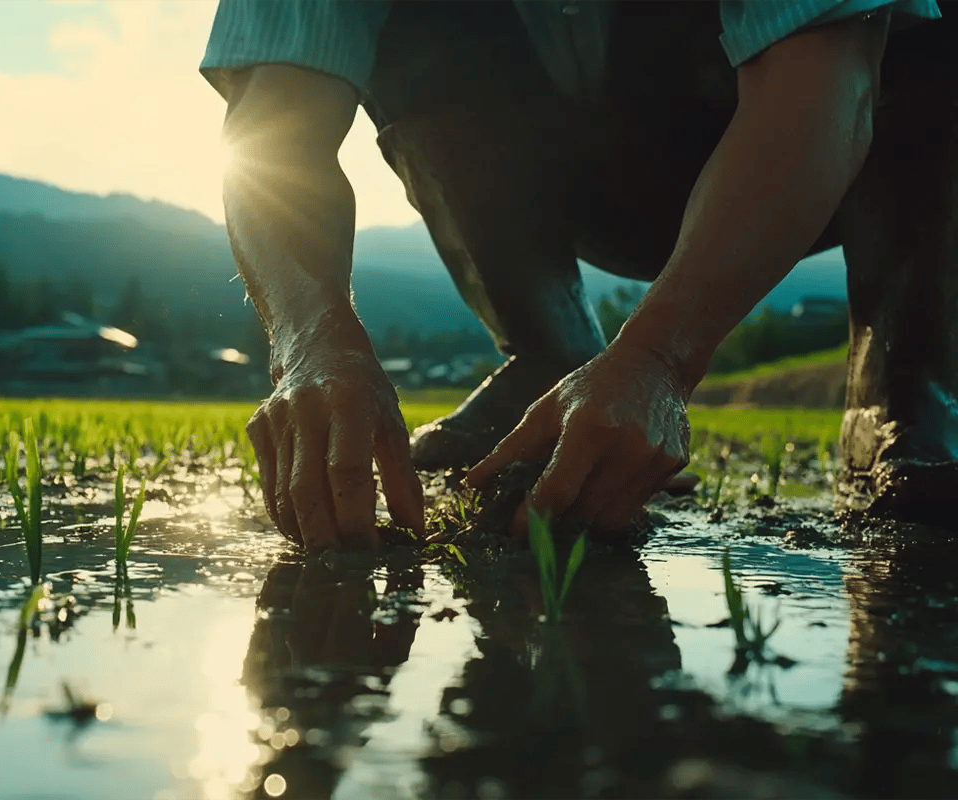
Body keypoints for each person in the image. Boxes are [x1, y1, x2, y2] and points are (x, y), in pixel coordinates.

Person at [200, 0, 948, 551]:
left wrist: (659, 358)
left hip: (798, 138)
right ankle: (547, 353)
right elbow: (271, 133)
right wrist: (312, 338)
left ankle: (901, 381)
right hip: (573, 160)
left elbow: (826, 77)